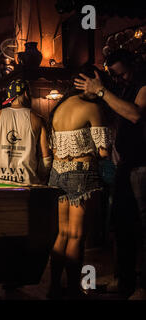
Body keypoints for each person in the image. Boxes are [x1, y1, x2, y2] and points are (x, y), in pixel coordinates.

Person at [75, 49, 146, 299]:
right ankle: (125, 282)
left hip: (143, 165)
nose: (120, 79)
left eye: (122, 73)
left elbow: (135, 114)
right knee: (122, 226)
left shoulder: (143, 85)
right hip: (126, 165)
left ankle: (144, 288)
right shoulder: (123, 87)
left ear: (133, 66)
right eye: (115, 76)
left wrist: (103, 92)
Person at [48, 65, 111, 299]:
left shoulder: (59, 108)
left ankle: (54, 287)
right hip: (81, 173)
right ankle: (74, 289)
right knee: (76, 236)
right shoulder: (92, 108)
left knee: (62, 234)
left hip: (57, 173)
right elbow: (104, 151)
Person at [0, 79, 52, 185]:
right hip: (27, 183)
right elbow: (46, 156)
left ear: (10, 97)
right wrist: (41, 177)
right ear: (26, 93)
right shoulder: (37, 119)